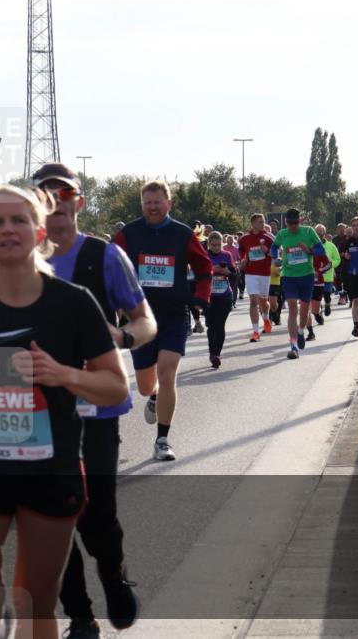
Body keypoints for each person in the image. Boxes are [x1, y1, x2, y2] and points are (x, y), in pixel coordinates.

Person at [0, 184, 129, 639]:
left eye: (18, 219)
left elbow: (114, 385)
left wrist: (64, 375)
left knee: (38, 602)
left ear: (40, 231)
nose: (6, 229)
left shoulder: (74, 302)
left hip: (50, 468)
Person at [36, 161, 156, 637]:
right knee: (50, 517)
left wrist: (120, 337)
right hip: (39, 411)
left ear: (78, 203)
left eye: (64, 196)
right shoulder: (20, 259)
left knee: (96, 515)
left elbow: (145, 321)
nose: (56, 205)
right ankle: (80, 616)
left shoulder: (104, 257)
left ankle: (114, 575)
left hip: (96, 406)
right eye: (45, 196)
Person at [114, 180, 212, 461]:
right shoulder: (129, 234)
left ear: (168, 204)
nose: (153, 207)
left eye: (158, 202)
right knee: (146, 385)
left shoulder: (182, 234)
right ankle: (153, 396)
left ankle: (162, 439)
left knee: (167, 372)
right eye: (148, 202)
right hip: (139, 318)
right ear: (142, 204)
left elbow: (204, 266)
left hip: (173, 315)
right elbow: (110, 266)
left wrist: (202, 297)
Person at [271, 209, 328, 360]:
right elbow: (274, 247)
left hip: (306, 276)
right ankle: (293, 345)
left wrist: (309, 250)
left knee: (304, 310)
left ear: (300, 221)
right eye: (290, 223)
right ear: (286, 223)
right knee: (291, 309)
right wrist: (276, 257)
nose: (293, 226)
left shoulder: (308, 231)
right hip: (289, 276)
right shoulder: (283, 234)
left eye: (296, 223)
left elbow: (321, 249)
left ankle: (301, 331)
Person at [237, 214, 276, 342]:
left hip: (265, 273)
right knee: (253, 301)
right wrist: (243, 260)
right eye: (260, 222)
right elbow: (242, 251)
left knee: (263, 302)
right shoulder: (245, 238)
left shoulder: (269, 237)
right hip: (251, 273)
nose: (263, 224)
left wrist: (267, 251)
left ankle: (265, 318)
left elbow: (277, 253)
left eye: (263, 222)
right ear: (253, 223)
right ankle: (255, 332)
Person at [205, 231, 236, 368]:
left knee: (219, 324)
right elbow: (199, 273)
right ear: (209, 244)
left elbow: (233, 274)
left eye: (219, 245)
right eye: (214, 245)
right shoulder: (205, 255)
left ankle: (216, 354)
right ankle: (212, 352)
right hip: (209, 296)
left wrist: (226, 272)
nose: (217, 247)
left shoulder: (227, 255)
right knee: (211, 326)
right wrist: (213, 269)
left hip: (224, 295)